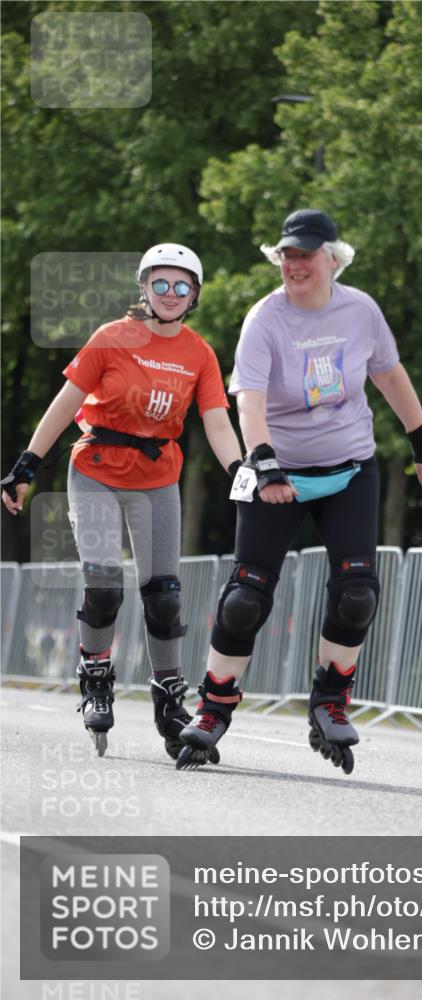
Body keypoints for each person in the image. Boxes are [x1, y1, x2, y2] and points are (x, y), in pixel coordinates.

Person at [175, 209, 422, 774]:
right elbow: (249, 399)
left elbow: (388, 374)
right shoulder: (265, 319)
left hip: (349, 469)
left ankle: (330, 701)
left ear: (332, 259)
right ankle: (213, 709)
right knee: (246, 598)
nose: (295, 265)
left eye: (305, 255)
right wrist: (264, 461)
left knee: (357, 593)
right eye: (287, 256)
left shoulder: (361, 310)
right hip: (278, 473)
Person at [1, 244, 243, 758]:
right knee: (104, 583)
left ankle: (169, 700)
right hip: (96, 471)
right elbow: (65, 403)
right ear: (144, 288)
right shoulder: (111, 337)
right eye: (161, 284)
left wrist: (240, 471)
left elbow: (217, 420)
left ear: (195, 295)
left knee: (164, 594)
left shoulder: (199, 353)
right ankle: (95, 678)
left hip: (157, 478)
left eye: (182, 286)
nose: (171, 294)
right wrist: (26, 465)